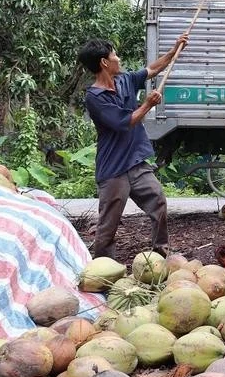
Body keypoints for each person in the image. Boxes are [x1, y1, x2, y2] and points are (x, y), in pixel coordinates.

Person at [77, 34, 188, 260]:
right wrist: (147, 104)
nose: (119, 58)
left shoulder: (125, 80)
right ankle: (102, 268)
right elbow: (123, 123)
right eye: (114, 54)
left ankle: (161, 255)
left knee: (158, 202)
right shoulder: (95, 97)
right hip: (114, 170)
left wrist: (174, 50)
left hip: (136, 163)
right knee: (108, 224)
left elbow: (152, 69)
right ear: (104, 63)